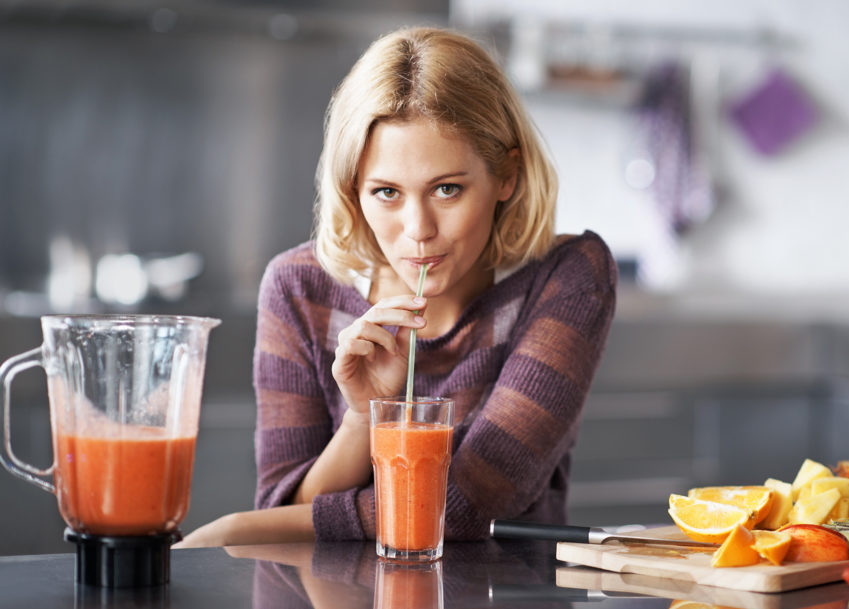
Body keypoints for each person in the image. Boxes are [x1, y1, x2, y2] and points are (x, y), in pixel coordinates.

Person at [178, 25, 617, 548]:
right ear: (352, 189)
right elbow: (286, 512)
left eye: (447, 189)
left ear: (508, 176)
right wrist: (363, 418)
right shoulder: (300, 290)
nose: (418, 229)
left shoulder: (566, 277)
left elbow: (460, 507)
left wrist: (239, 528)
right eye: (386, 192)